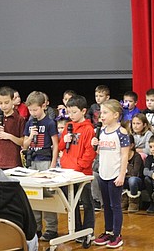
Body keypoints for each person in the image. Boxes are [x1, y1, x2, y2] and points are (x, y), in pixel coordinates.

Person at [91, 99, 129, 248]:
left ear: (115, 114)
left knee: (115, 205)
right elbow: (101, 151)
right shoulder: (101, 131)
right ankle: (108, 230)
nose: (102, 116)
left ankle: (117, 234)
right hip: (103, 173)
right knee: (105, 205)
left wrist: (121, 175)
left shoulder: (122, 132)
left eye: (105, 112)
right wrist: (95, 146)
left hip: (115, 174)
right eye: (101, 112)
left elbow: (124, 155)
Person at [58, 95, 96, 243]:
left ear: (83, 111)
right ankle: (76, 230)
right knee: (71, 203)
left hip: (82, 172)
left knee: (86, 202)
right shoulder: (69, 127)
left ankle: (88, 231)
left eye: (74, 112)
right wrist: (64, 140)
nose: (71, 115)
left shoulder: (88, 129)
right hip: (67, 171)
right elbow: (61, 147)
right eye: (69, 112)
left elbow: (90, 152)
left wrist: (79, 166)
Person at [23, 91, 59, 241]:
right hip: (33, 161)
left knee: (48, 196)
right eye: (30, 110)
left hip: (45, 161)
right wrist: (31, 136)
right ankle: (36, 227)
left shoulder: (50, 123)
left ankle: (51, 228)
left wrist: (52, 165)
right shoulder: (29, 123)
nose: (33, 113)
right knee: (34, 196)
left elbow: (56, 145)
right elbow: (24, 145)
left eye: (35, 110)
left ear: (43, 106)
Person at [0, 86, 25, 169]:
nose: (3, 106)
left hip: (13, 162)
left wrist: (9, 136)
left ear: (13, 101)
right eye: (0, 103)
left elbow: (22, 142)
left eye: (6, 102)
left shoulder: (19, 119)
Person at [122, 135, 144, 213]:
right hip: (125, 178)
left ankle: (134, 201)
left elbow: (135, 173)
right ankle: (123, 199)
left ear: (131, 145)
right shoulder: (120, 156)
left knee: (132, 180)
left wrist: (126, 164)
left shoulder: (137, 156)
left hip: (137, 180)